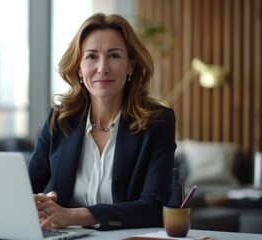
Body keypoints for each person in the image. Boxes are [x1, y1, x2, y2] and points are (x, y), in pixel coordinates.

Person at [27, 12, 176, 231]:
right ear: (79, 68)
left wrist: (73, 215)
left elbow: (154, 208)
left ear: (131, 66)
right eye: (91, 56)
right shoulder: (60, 120)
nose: (102, 68)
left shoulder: (157, 122)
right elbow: (25, 191)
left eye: (114, 56)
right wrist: (37, 202)